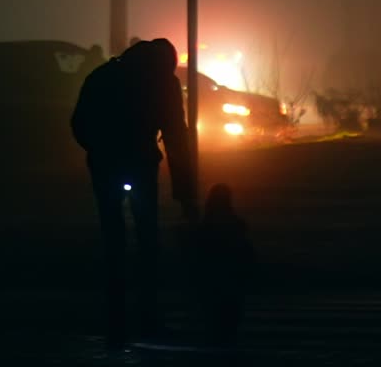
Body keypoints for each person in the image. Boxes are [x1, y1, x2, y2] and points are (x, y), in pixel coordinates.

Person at [71, 36, 195, 345]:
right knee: (147, 239)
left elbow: (79, 122)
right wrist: (185, 192)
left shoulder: (103, 75)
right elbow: (176, 137)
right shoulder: (164, 84)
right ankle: (149, 316)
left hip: (105, 165)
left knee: (113, 238)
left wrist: (98, 150)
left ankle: (116, 317)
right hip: (141, 163)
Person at [193, 182, 254, 346]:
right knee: (229, 323)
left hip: (213, 283)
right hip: (230, 282)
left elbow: (199, 260)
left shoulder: (204, 229)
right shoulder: (237, 226)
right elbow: (246, 255)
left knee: (214, 323)